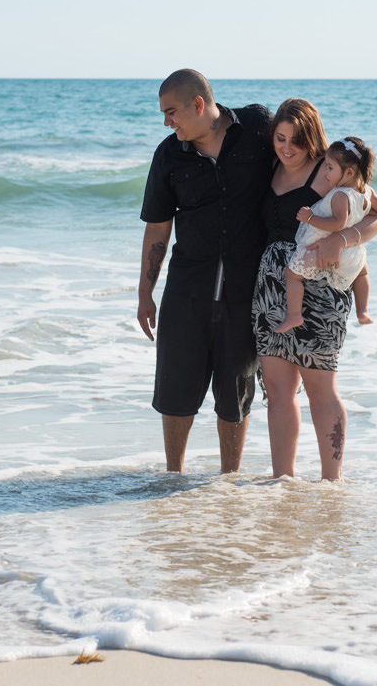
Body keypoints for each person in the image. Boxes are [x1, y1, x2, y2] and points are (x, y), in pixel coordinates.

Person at [138, 69, 274, 474]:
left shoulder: (257, 128)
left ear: (198, 105)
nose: (167, 122)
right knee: (175, 389)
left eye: (171, 112)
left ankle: (227, 482)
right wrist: (146, 293)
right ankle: (172, 477)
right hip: (186, 291)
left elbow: (306, 157)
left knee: (236, 393)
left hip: (246, 291)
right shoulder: (168, 155)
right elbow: (158, 226)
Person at [251, 100, 377, 481]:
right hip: (271, 288)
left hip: (320, 287)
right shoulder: (271, 166)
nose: (287, 148)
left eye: (296, 140)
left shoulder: (329, 171)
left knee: (319, 387)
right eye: (280, 138)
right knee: (277, 391)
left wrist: (342, 238)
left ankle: (332, 481)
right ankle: (283, 481)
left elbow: (376, 217)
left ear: (313, 140)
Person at [275, 136, 377, 333]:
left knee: (292, 275)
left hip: (321, 247)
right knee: (363, 273)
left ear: (349, 172)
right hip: (353, 250)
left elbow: (337, 224)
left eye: (330, 167)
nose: (325, 171)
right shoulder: (367, 191)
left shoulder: (339, 195)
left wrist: (309, 218)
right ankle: (363, 311)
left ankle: (293, 315)